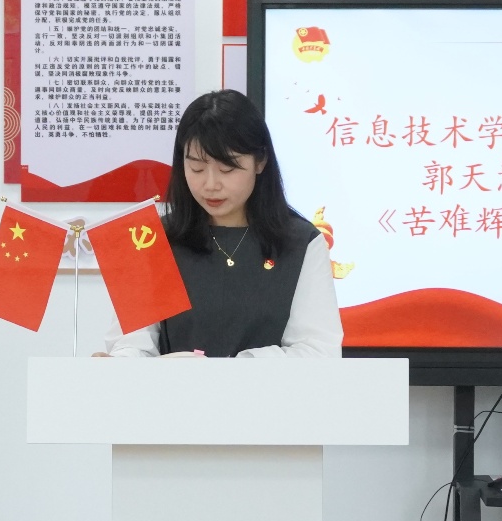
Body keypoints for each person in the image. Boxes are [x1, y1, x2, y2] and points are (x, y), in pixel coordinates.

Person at [104, 89, 340, 359]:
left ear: (260, 161)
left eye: (227, 169)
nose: (211, 184)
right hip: (172, 387)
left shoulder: (302, 243)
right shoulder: (149, 239)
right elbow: (131, 344)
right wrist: (119, 362)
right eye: (196, 168)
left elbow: (317, 351)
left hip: (267, 388)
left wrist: (229, 370)